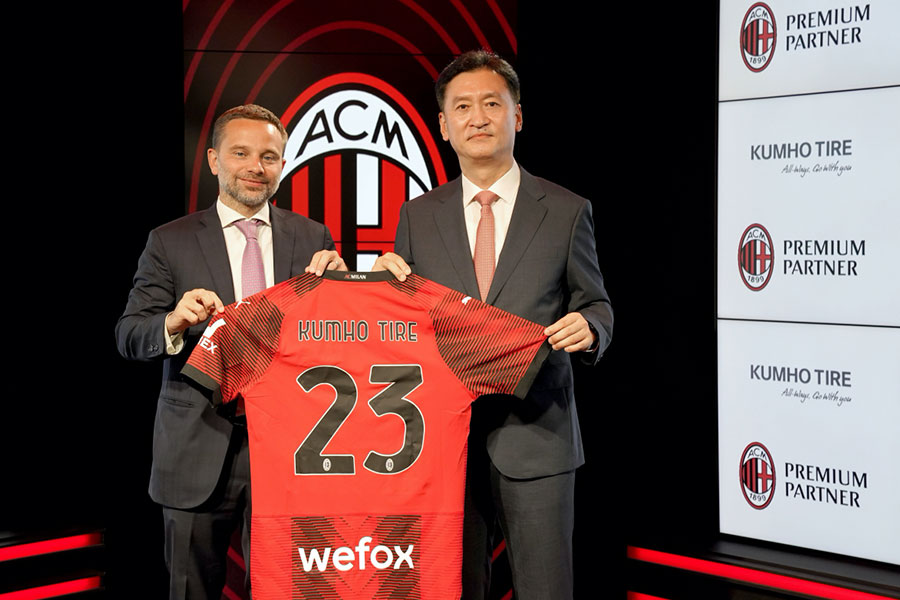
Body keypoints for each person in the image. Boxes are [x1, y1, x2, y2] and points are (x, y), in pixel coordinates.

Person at [374, 50, 613, 599]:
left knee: (545, 589)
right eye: (462, 107)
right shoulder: (417, 215)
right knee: (452, 588)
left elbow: (596, 303)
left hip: (539, 435)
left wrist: (590, 328)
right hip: (441, 444)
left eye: (491, 104)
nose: (477, 117)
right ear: (443, 126)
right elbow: (402, 318)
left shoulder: (566, 210)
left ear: (517, 115)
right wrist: (380, 289)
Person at [116, 104, 345, 599]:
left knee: (289, 591)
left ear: (282, 164)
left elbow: (336, 337)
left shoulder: (314, 237)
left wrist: (345, 290)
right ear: (214, 159)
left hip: (291, 451)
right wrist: (173, 321)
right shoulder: (169, 241)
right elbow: (130, 335)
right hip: (196, 449)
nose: (255, 167)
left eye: (269, 157)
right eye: (241, 153)